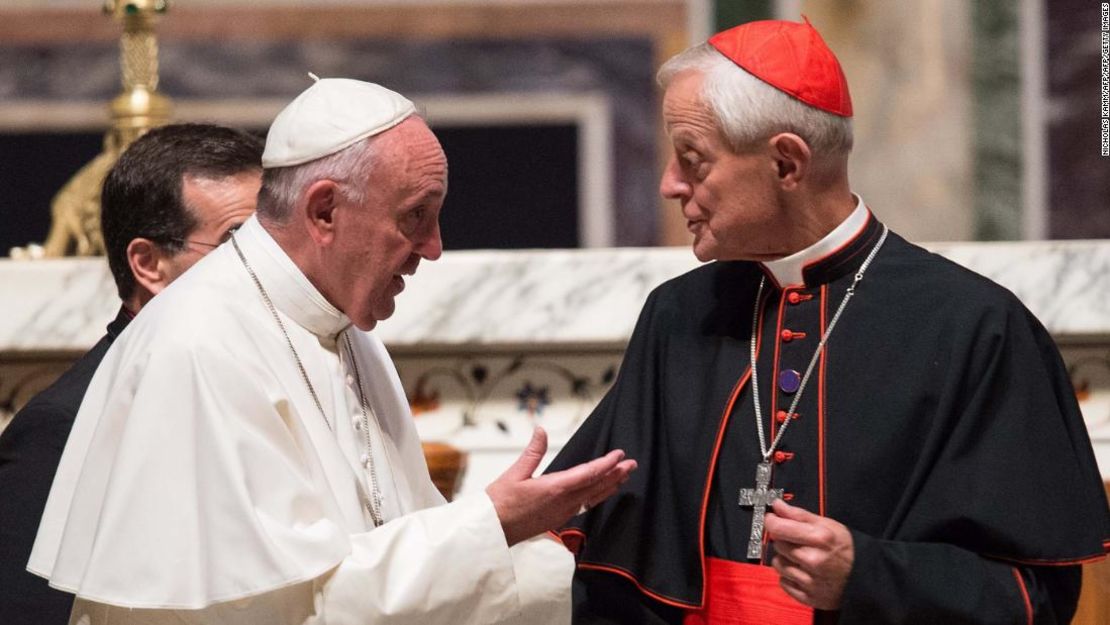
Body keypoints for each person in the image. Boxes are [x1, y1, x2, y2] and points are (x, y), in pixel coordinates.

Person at [547, 18, 1110, 625]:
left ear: (787, 164)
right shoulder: (677, 314)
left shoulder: (977, 328)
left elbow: (1038, 599)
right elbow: (596, 550)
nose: (668, 185)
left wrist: (867, 574)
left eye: (692, 160)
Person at [29, 78, 636, 624]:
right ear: (324, 210)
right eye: (415, 217)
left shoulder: (350, 335)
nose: (433, 248)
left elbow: (389, 557)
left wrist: (533, 547)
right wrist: (494, 524)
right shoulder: (200, 346)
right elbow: (294, 609)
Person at [0, 123, 263, 625]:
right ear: (148, 264)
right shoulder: (62, 426)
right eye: (238, 243)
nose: (268, 268)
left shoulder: (268, 385)